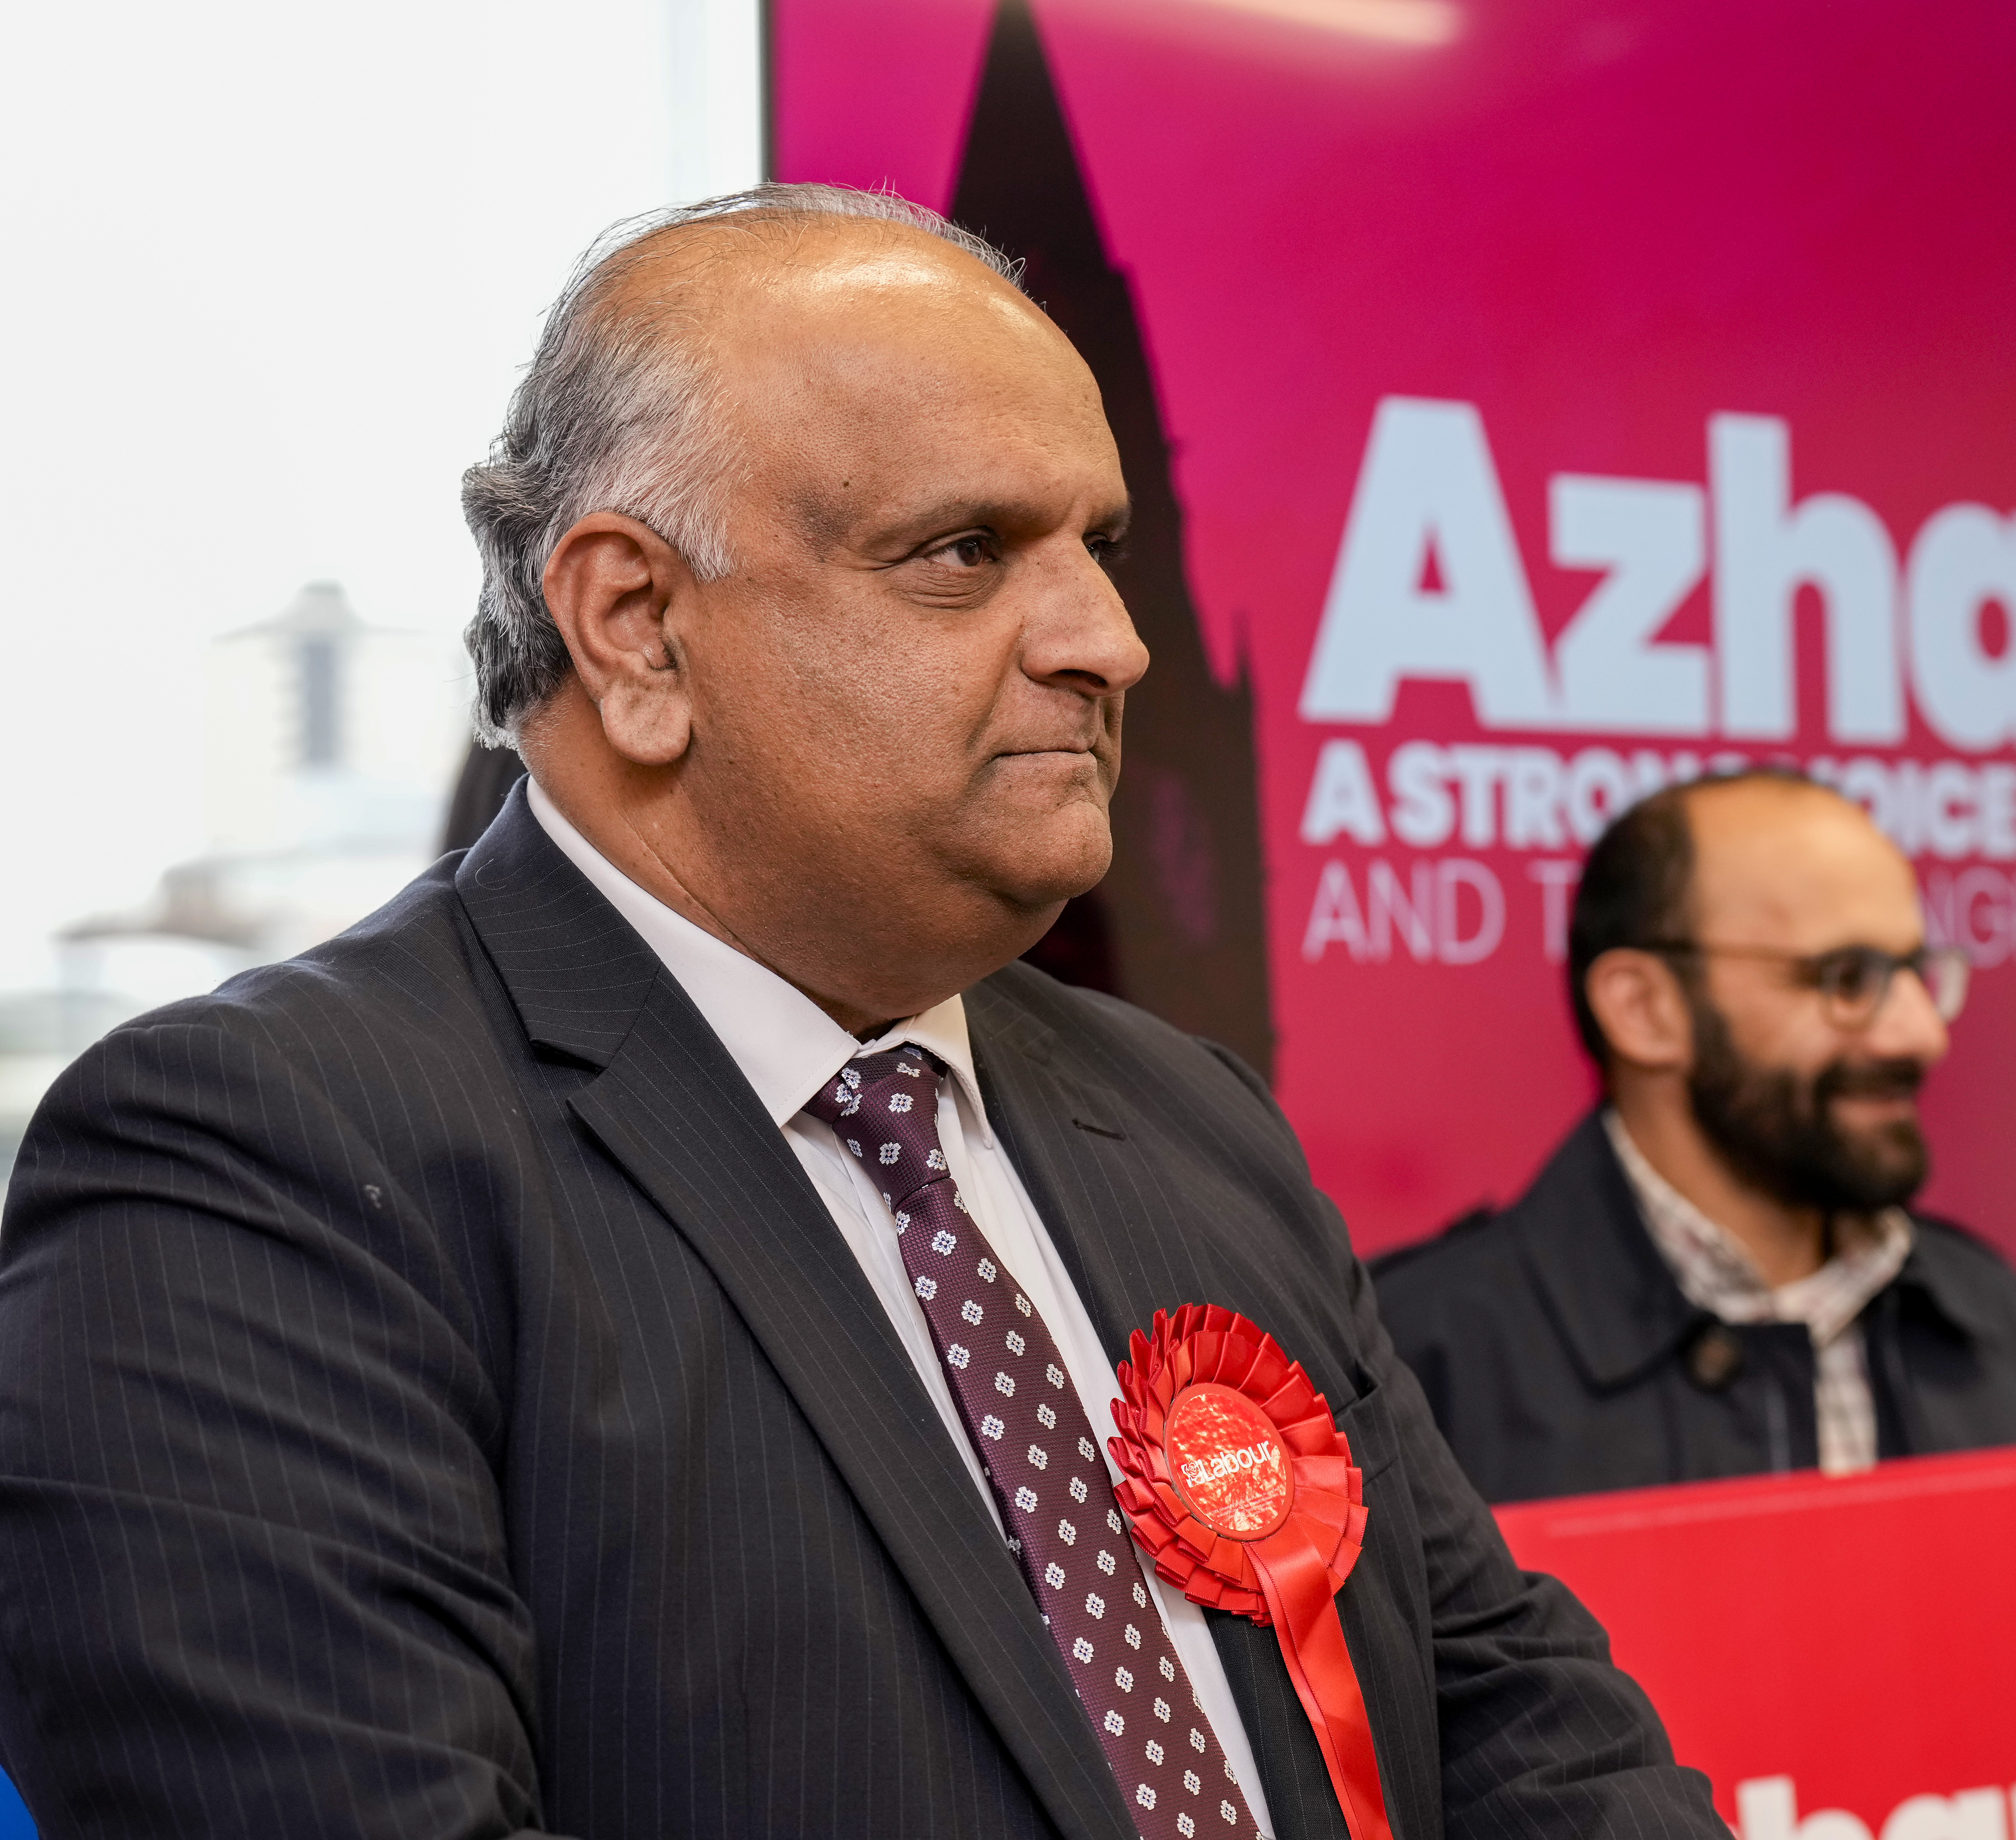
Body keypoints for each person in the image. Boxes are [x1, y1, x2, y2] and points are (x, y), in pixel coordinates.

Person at [0, 185, 1725, 1840]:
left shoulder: (1194, 1123)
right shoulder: (254, 1165)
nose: (1110, 643)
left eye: (1099, 549)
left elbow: (1506, 1720)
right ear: (636, 626)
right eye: (966, 553)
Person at [1375, 772, 2016, 1506]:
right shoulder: (1417, 1363)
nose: (1922, 1035)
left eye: (1914, 974)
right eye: (1845, 978)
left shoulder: (1992, 1321)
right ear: (1646, 1010)